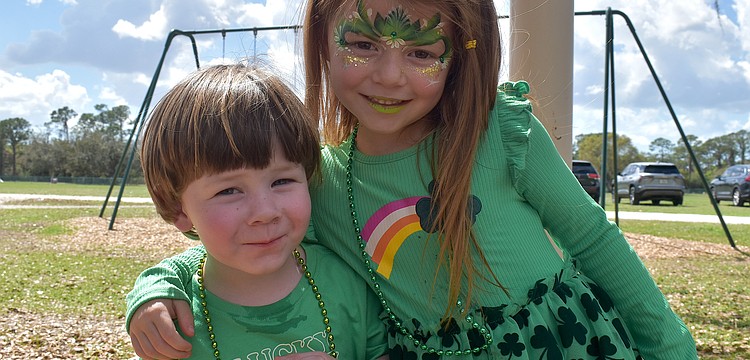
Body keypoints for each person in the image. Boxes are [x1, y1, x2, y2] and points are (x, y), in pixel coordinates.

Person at [127, 0, 698, 358]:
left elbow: (593, 239)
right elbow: (219, 245)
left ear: (462, 54)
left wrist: (671, 348)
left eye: (423, 52)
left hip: (564, 344)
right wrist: (154, 289)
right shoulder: (313, 185)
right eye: (362, 43)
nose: (389, 74)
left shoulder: (501, 133)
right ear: (323, 36)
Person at [129, 63, 388, 360]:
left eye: (282, 181)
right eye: (228, 191)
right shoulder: (172, 317)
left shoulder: (347, 282)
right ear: (178, 208)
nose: (265, 212)